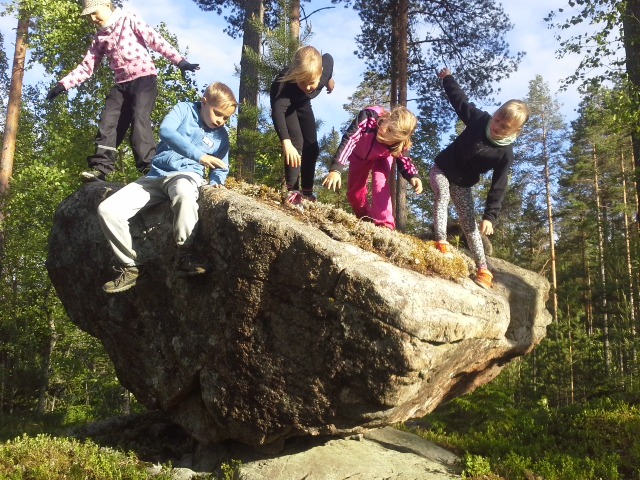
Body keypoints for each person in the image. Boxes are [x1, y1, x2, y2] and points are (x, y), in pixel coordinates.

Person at [97, 82, 237, 294]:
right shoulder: (184, 109)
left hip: (186, 176)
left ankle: (184, 255)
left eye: (226, 118)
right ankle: (131, 266)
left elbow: (221, 165)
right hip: (155, 176)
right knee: (107, 210)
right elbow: (166, 131)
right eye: (217, 113)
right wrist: (199, 155)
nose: (220, 121)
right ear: (204, 102)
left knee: (184, 194)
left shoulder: (221, 136)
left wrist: (217, 181)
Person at [46, 0, 199, 182]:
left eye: (95, 13)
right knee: (108, 122)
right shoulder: (99, 38)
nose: (92, 19)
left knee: (139, 118)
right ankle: (101, 167)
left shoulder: (128, 20)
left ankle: (150, 166)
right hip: (121, 85)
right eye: (89, 16)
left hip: (144, 79)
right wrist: (63, 85)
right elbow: (87, 67)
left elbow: (155, 39)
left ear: (106, 5)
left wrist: (180, 62)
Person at [430, 67, 530, 289]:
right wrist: (447, 79)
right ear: (495, 114)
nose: (497, 127)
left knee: (470, 224)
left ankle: (483, 269)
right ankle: (441, 241)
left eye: (504, 127)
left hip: (463, 183)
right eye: (497, 120)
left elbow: (499, 185)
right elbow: (460, 102)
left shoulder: (505, 153)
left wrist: (490, 217)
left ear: (515, 131)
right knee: (442, 196)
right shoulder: (480, 120)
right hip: (442, 169)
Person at [322, 105, 423, 229]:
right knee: (354, 193)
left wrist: (413, 175)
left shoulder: (399, 142)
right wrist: (336, 169)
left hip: (381, 159)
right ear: (388, 117)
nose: (385, 135)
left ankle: (385, 224)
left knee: (380, 184)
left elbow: (404, 160)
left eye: (391, 138)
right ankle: (364, 217)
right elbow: (350, 139)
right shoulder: (369, 117)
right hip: (359, 156)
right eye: (388, 129)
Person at [270, 46, 335, 205]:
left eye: (311, 82)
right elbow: (278, 112)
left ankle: (307, 192)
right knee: (296, 143)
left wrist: (329, 79)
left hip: (302, 102)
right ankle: (292, 191)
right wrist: (286, 142)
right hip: (285, 104)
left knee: (312, 146)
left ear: (320, 72)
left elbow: (328, 57)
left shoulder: (324, 70)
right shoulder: (285, 86)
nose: (307, 87)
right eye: (302, 82)